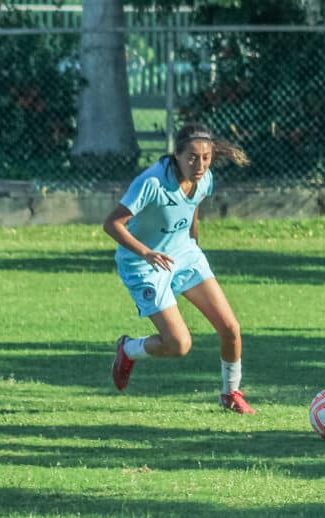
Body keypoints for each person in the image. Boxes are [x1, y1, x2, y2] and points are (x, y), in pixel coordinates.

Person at [104, 122, 256, 414]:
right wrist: (146, 252)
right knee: (179, 344)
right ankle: (129, 350)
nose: (199, 165)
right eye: (192, 157)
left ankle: (230, 393)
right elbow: (111, 224)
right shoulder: (151, 183)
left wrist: (193, 246)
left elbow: (193, 205)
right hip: (143, 264)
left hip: (184, 255)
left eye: (206, 157)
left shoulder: (205, 178)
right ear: (176, 154)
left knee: (230, 329)